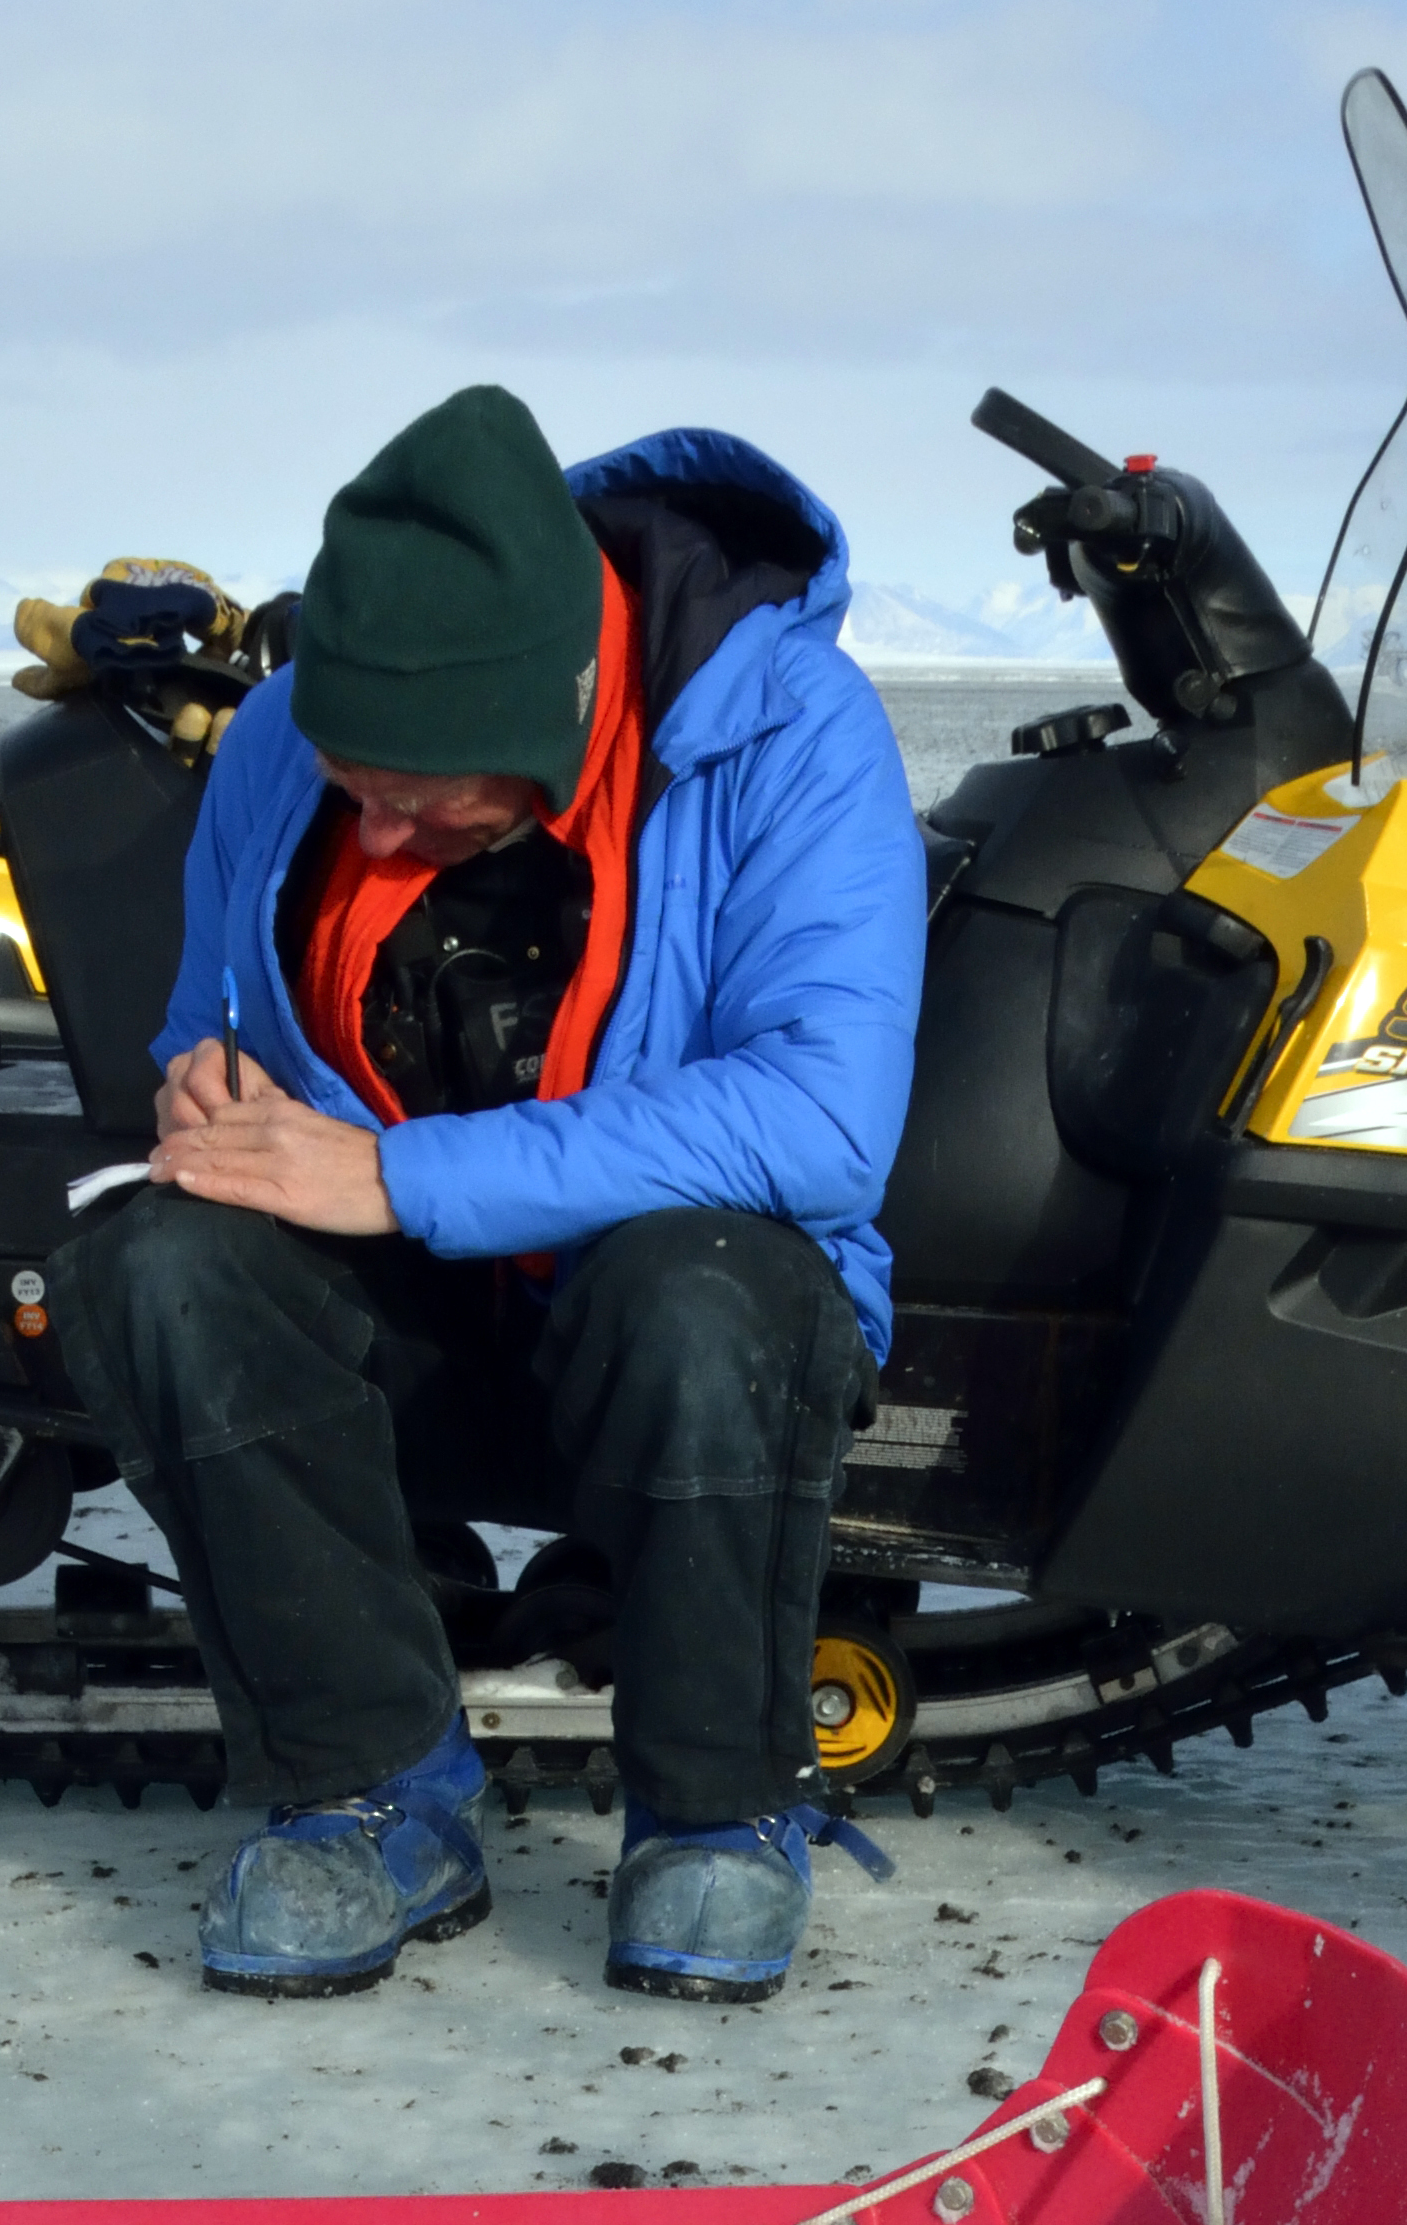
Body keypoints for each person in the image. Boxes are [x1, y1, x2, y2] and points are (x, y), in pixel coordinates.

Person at [56, 381, 926, 2002]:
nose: (369, 830)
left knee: (699, 1283)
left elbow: (822, 1121)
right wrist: (207, 1088)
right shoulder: (278, 740)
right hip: (414, 1321)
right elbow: (210, 1009)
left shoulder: (799, 733)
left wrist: (394, 1175)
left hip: (672, 1339)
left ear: (561, 710)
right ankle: (374, 1790)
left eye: (412, 799)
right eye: (346, 786)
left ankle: (718, 1817)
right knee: (159, 1264)